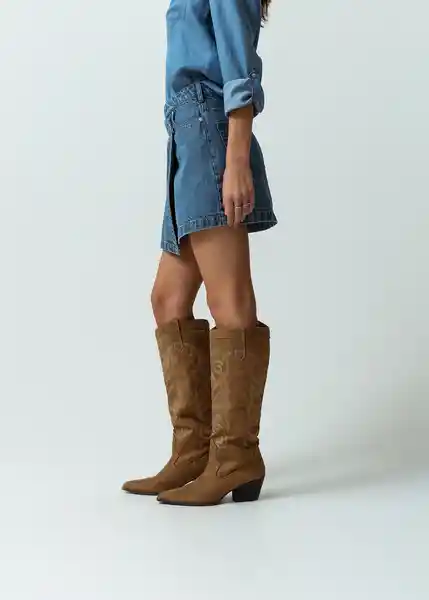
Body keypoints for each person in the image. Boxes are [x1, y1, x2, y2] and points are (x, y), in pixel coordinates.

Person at [122, 0, 276, 506]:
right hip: (187, 135)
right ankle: (194, 452)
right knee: (167, 300)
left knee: (228, 300)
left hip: (210, 128)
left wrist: (237, 158)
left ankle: (235, 456)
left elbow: (238, 60)